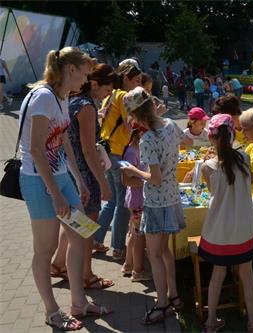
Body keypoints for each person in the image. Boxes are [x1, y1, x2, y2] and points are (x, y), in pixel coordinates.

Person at [19, 47, 110, 331]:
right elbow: (35, 148)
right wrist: (56, 193)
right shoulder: (44, 97)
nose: (86, 80)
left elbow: (65, 142)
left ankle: (79, 303)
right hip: (38, 182)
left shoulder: (61, 96)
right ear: (70, 70)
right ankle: (51, 310)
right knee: (44, 250)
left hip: (61, 179)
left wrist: (78, 180)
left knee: (80, 235)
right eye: (84, 73)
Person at [120, 87, 192, 324]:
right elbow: (188, 141)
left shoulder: (148, 140)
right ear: (152, 104)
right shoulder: (170, 124)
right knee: (164, 251)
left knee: (155, 253)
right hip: (172, 196)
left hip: (156, 201)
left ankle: (161, 304)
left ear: (137, 116)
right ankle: (173, 296)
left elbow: (155, 178)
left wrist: (133, 170)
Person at [50, 63, 115, 290]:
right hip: (85, 175)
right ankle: (86, 275)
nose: (107, 95)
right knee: (87, 227)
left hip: (69, 171)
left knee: (74, 223)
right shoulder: (86, 107)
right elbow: (88, 150)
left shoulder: (73, 100)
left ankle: (59, 264)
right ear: (94, 84)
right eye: (107, 91)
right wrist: (103, 183)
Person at [199, 114, 253, 333]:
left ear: (211, 137)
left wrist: (211, 157)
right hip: (242, 228)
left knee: (218, 273)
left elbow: (212, 191)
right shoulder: (245, 158)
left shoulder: (207, 167)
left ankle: (210, 322)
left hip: (219, 230)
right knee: (247, 274)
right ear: (233, 133)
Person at [93, 62, 142, 259]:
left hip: (107, 152)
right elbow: (131, 124)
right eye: (136, 81)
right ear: (126, 79)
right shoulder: (122, 97)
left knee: (113, 200)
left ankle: (96, 239)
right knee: (122, 202)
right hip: (117, 153)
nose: (138, 85)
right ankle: (119, 248)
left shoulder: (109, 97)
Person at [121, 127, 152, 282]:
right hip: (137, 200)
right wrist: (148, 182)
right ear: (139, 134)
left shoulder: (137, 149)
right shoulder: (132, 152)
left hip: (136, 199)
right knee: (140, 236)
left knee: (134, 233)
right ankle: (138, 271)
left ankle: (128, 264)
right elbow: (126, 180)